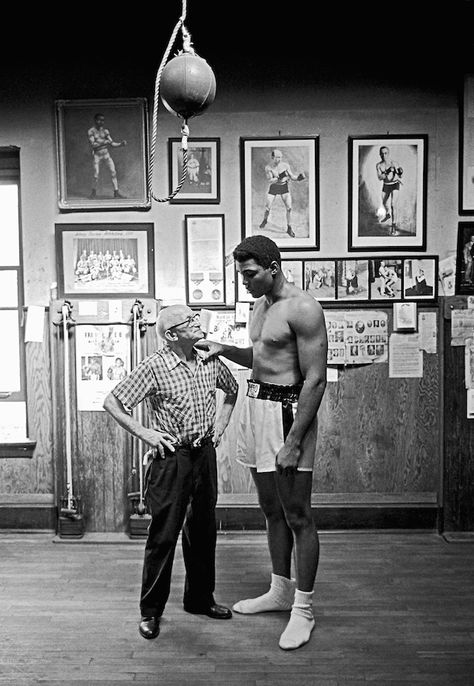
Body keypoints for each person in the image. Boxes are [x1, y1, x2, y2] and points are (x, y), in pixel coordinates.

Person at [195, 234, 328, 651]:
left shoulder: (303, 308)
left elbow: (315, 378)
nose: (245, 282)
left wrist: (293, 441)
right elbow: (263, 357)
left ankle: (303, 609)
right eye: (241, 275)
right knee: (271, 509)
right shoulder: (259, 305)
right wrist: (225, 349)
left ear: (273, 267)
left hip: (288, 413)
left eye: (250, 275)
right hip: (256, 406)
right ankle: (280, 590)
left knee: (297, 514)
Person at [103, 304, 238, 640]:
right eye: (189, 320)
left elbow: (232, 390)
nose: (198, 322)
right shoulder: (155, 366)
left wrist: (219, 426)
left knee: (203, 531)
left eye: (196, 317)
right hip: (171, 459)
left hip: (203, 455)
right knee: (163, 537)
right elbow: (113, 402)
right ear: (172, 334)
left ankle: (199, 599)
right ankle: (150, 612)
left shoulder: (208, 358)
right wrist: (147, 434)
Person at [259, 149, 306, 238]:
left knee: (289, 208)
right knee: (267, 207)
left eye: (280, 157)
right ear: (272, 157)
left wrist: (299, 178)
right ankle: (265, 220)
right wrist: (279, 177)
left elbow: (292, 177)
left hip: (284, 187)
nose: (279, 159)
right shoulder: (268, 167)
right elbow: (270, 181)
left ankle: (289, 227)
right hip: (274, 187)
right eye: (277, 157)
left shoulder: (285, 165)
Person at [88, 113, 127, 199]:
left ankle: (116, 192)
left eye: (102, 120)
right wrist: (104, 142)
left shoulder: (105, 131)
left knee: (113, 172)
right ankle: (93, 193)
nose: (101, 122)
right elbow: (93, 145)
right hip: (97, 155)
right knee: (96, 175)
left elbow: (112, 143)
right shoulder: (91, 131)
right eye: (99, 120)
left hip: (106, 155)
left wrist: (121, 144)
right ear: (95, 120)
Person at [376, 146, 403, 236]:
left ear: (388, 153)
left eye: (385, 153)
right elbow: (380, 178)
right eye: (382, 153)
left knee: (393, 205)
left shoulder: (394, 163)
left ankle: (393, 226)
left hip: (395, 184)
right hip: (386, 185)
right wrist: (387, 171)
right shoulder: (379, 165)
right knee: (384, 202)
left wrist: (399, 172)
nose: (384, 155)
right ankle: (388, 214)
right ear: (380, 154)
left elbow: (400, 176)